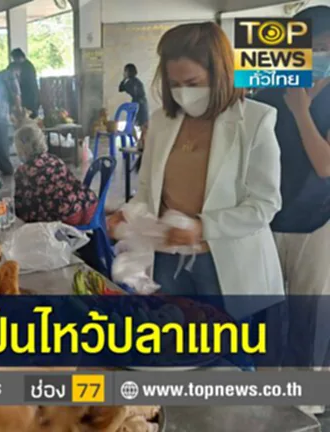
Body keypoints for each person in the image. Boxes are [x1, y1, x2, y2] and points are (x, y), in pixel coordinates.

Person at [106, 22, 284, 312]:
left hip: (225, 262)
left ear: (220, 73)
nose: (183, 93)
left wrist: (203, 227)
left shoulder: (254, 121)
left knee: (225, 335)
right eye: (174, 84)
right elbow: (148, 191)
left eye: (192, 83)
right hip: (168, 256)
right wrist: (127, 214)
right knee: (173, 330)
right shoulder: (162, 122)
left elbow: (264, 204)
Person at [252, 5, 330, 401]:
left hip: (317, 220)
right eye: (310, 47)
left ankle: (307, 400)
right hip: (265, 218)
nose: (317, 55)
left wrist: (301, 111)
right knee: (264, 311)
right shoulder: (268, 88)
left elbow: (325, 165)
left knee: (309, 313)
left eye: (324, 47)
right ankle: (266, 394)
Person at [14, 123, 98, 225]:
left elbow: (20, 208)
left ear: (21, 148)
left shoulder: (23, 171)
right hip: (89, 205)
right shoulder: (54, 159)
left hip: (67, 218)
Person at [118, 63, 150, 145]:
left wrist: (125, 79)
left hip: (139, 104)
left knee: (141, 125)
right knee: (135, 124)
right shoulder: (133, 81)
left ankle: (141, 142)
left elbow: (123, 89)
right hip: (139, 103)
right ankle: (139, 141)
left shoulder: (133, 82)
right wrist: (124, 79)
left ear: (128, 71)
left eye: (125, 71)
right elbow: (121, 88)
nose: (123, 73)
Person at [11, 48, 40, 119]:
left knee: (30, 118)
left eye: (15, 58)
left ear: (20, 57)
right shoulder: (15, 65)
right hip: (23, 97)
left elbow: (25, 81)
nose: (14, 60)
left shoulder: (28, 67)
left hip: (30, 97)